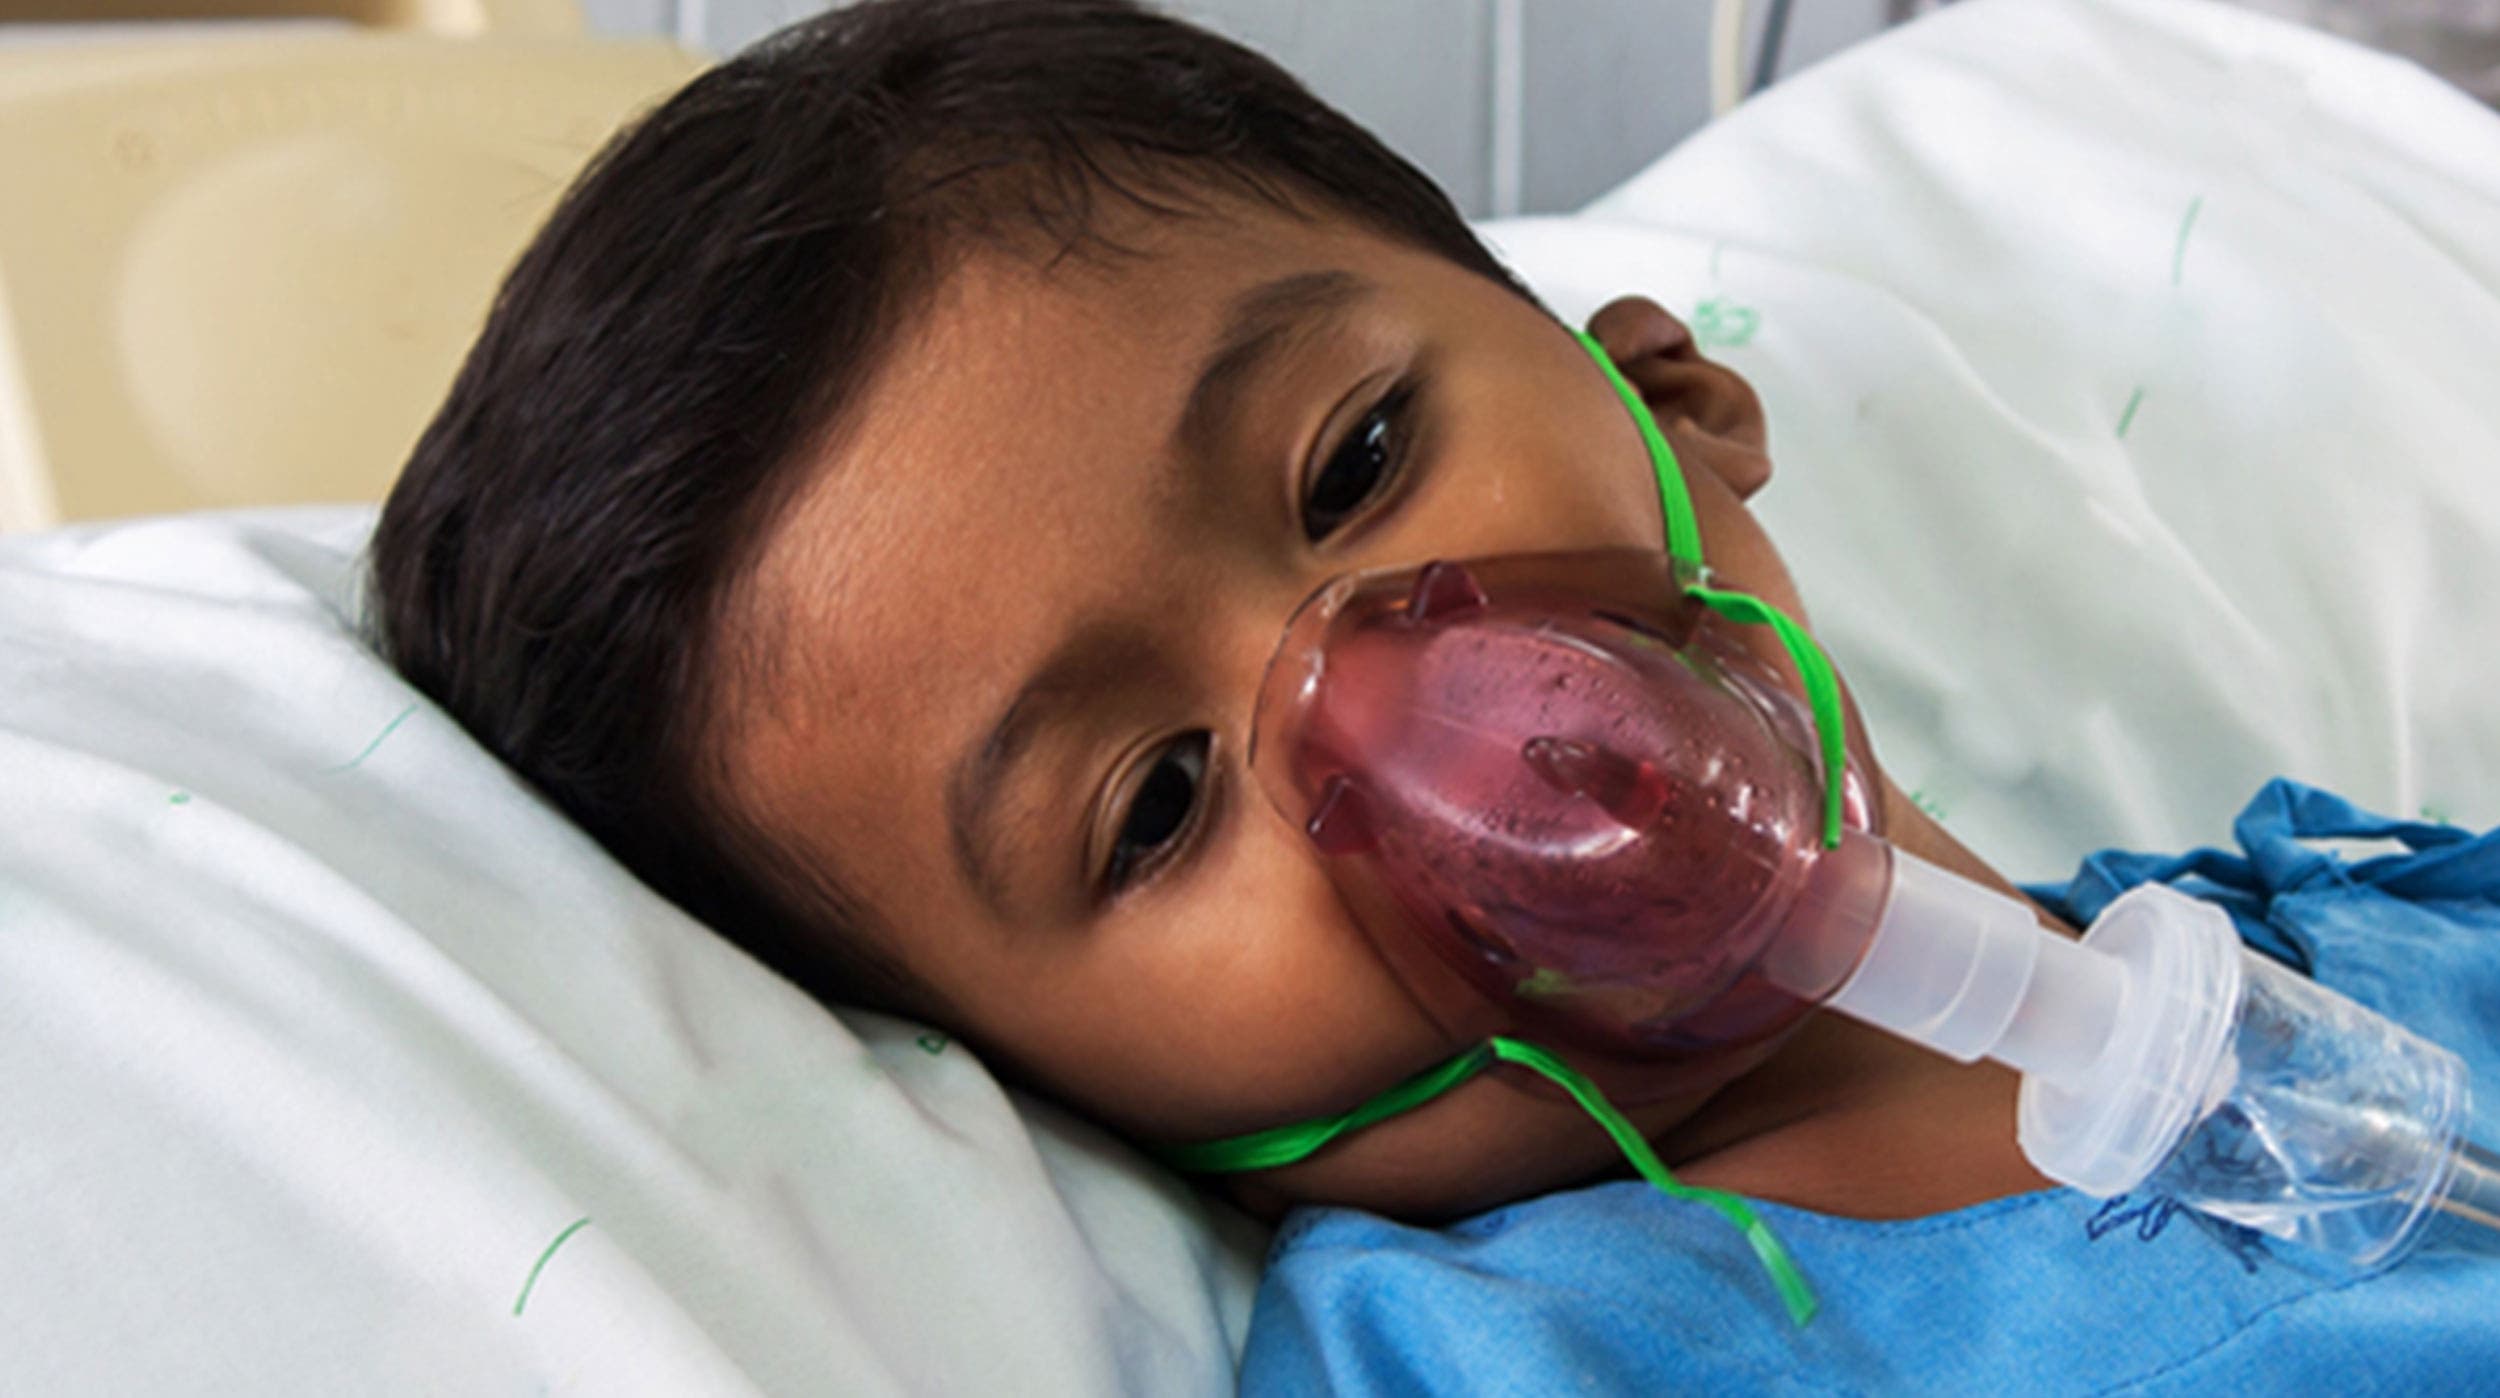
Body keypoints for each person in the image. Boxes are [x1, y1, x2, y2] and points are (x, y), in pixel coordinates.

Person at [370, 0, 2500, 1389]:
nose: (1407, 713)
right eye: (1153, 803)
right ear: (1051, 1087)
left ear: (1671, 392)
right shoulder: (1499, 1365)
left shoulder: (2399, 924)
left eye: (1357, 462)